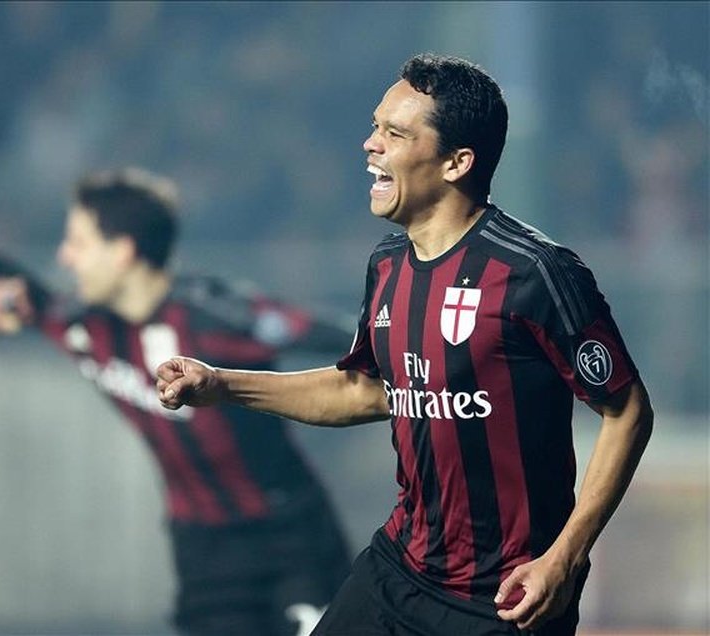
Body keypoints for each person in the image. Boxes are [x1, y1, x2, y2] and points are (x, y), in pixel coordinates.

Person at [156, 53, 654, 636]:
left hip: (507, 597)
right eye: (375, 127)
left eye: (394, 133)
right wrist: (220, 384)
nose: (370, 145)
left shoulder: (535, 273)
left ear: (456, 162)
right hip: (401, 570)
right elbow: (367, 392)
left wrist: (564, 558)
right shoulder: (388, 263)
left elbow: (627, 411)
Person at [0, 167, 357, 636]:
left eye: (79, 243)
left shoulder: (213, 315)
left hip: (291, 538)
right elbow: (23, 294)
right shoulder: (89, 327)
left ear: (123, 252)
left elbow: (337, 336)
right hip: (203, 552)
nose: (65, 257)